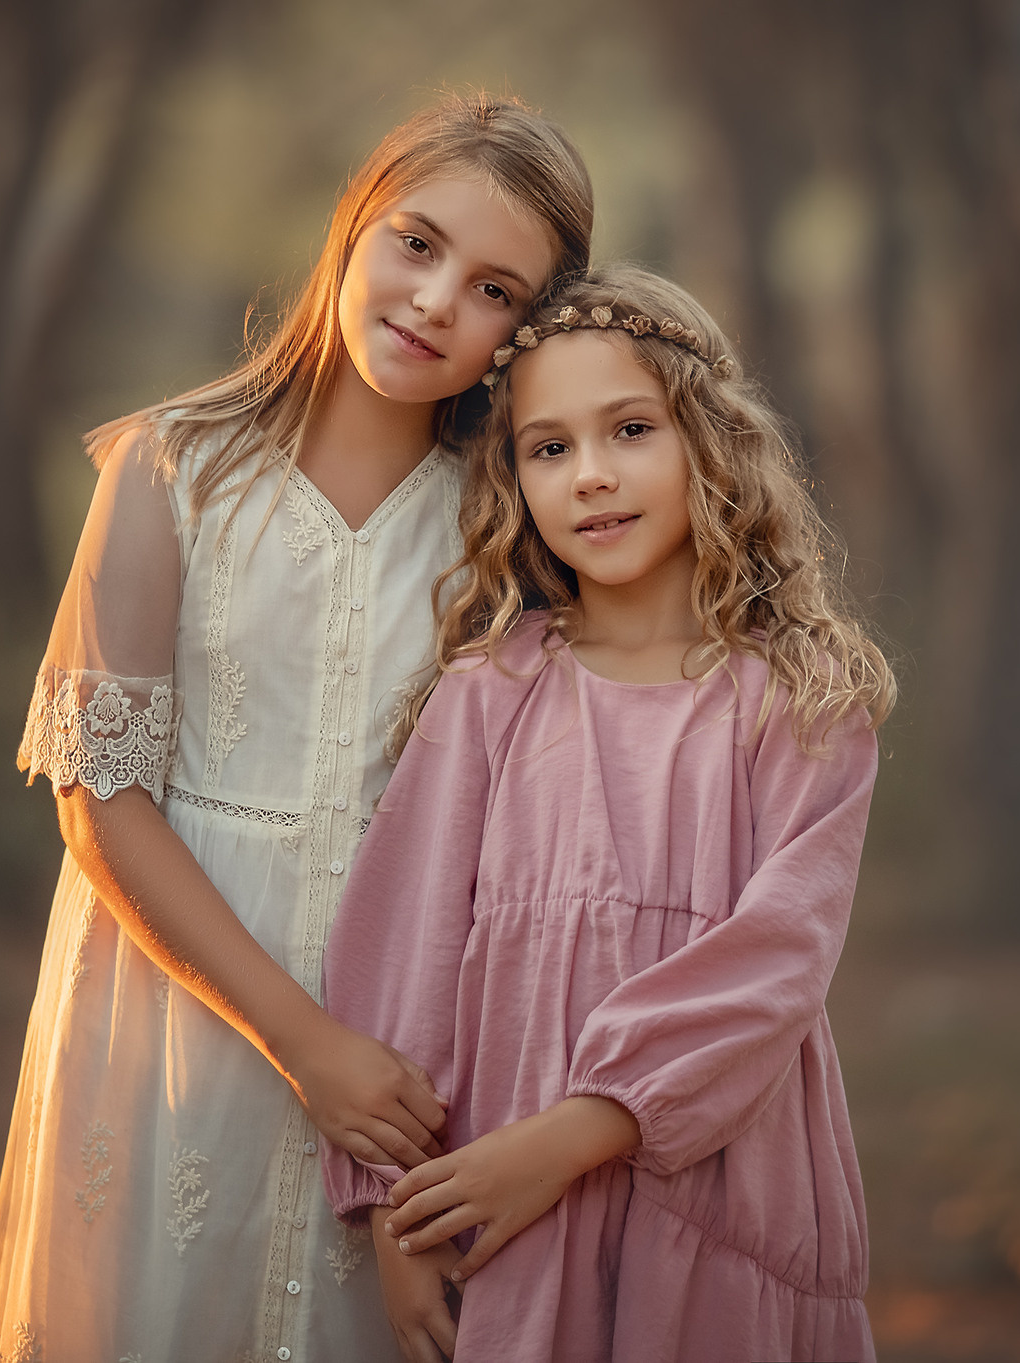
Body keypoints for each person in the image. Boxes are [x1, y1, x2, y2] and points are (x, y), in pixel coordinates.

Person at [0, 93, 595, 1363]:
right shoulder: (170, 469)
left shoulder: (507, 531)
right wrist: (301, 1043)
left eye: (489, 289)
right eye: (415, 244)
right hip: (176, 1011)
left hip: (411, 1038)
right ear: (352, 228)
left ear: (519, 335)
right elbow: (101, 802)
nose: (432, 301)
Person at [321, 267, 897, 1362]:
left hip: (719, 1197)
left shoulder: (801, 702)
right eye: (548, 448)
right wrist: (404, 1211)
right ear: (513, 479)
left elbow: (779, 960)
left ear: (709, 444)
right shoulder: (489, 694)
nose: (590, 476)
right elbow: (401, 956)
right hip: (506, 1206)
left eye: (629, 430)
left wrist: (576, 1135)